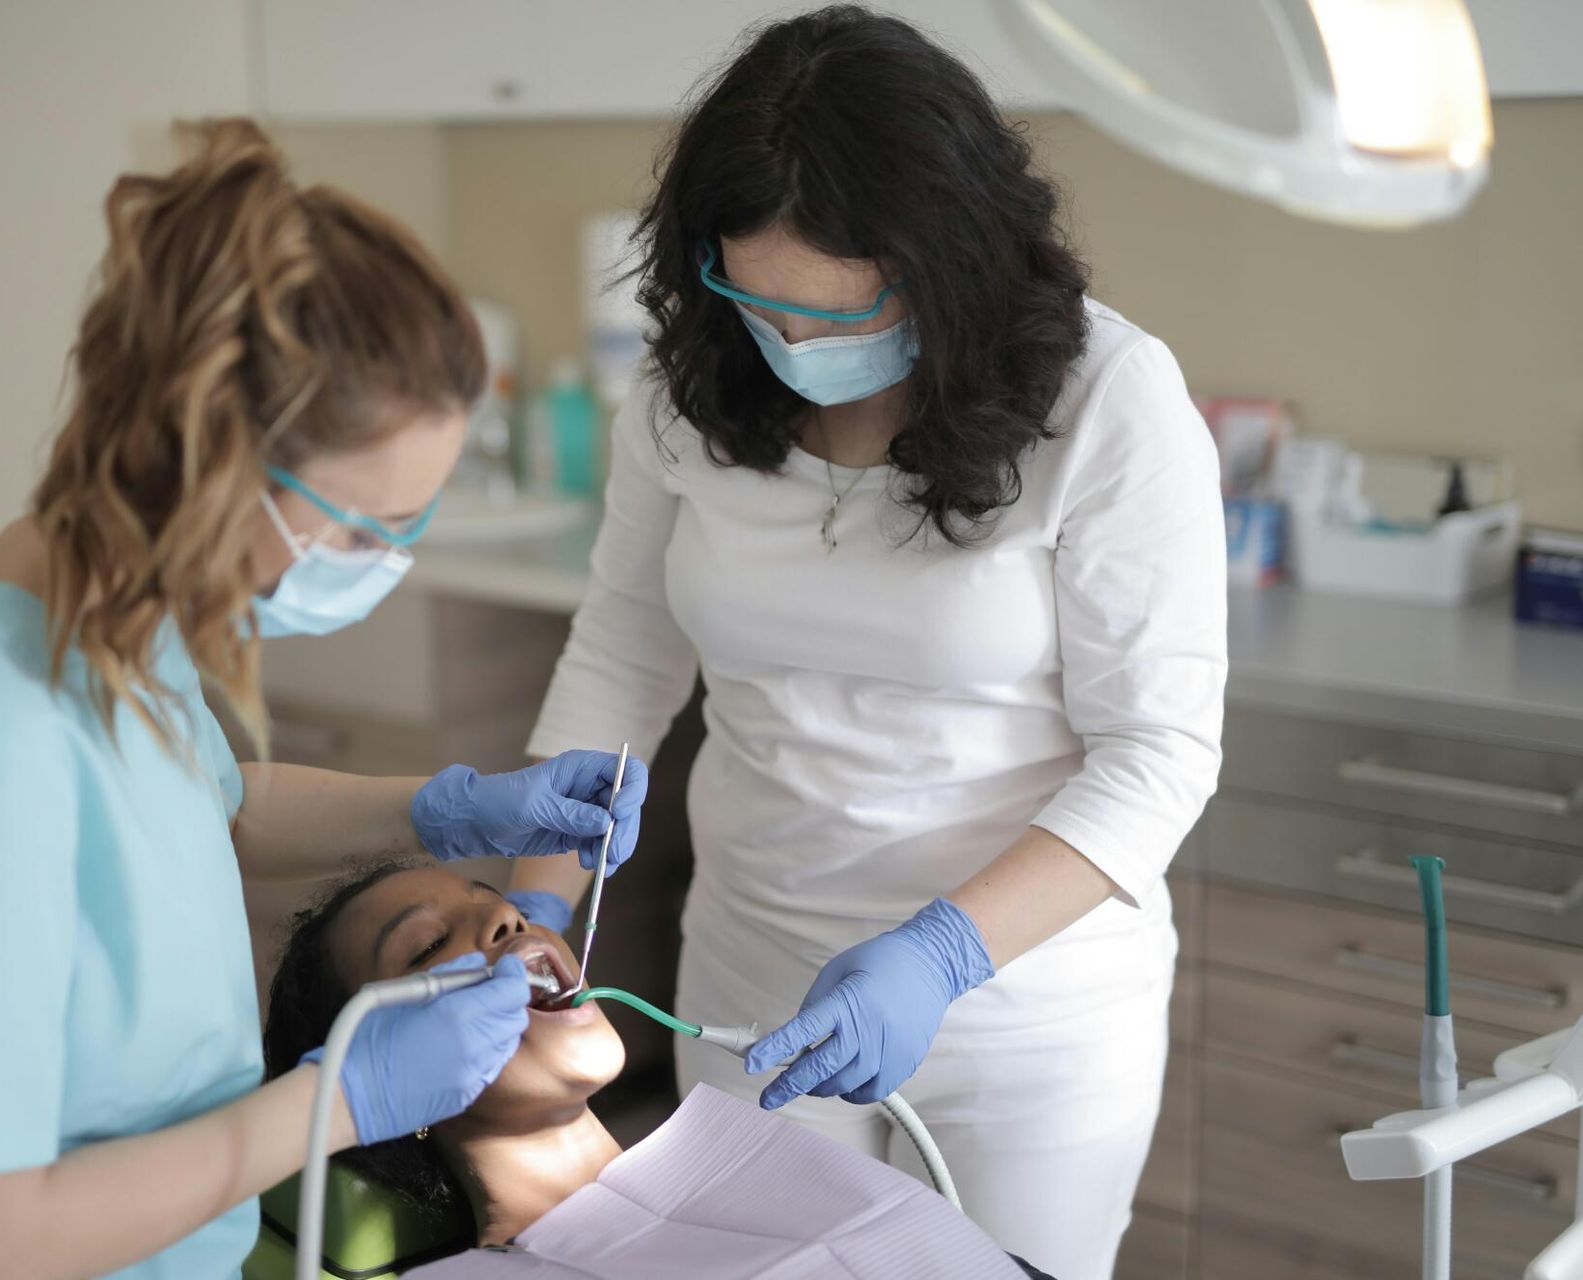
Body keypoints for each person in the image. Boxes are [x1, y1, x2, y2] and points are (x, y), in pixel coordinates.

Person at [0, 119, 647, 1280]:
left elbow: (207, 808)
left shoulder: (107, 637)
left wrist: (453, 810)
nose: (381, 560)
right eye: (358, 527)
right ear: (210, 459)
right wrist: (339, 1103)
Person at [510, 9, 1227, 1278]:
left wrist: (940, 955)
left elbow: (1157, 752)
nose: (801, 350)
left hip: (1025, 1012)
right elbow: (623, 652)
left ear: (952, 266)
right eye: (760, 305)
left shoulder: (1107, 401)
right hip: (746, 974)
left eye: (845, 316)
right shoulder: (688, 387)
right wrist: (534, 904)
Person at [263, 860, 1056, 1279]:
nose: (509, 916)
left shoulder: (762, 1166)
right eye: (429, 947)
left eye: (497, 898)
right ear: (393, 1084)